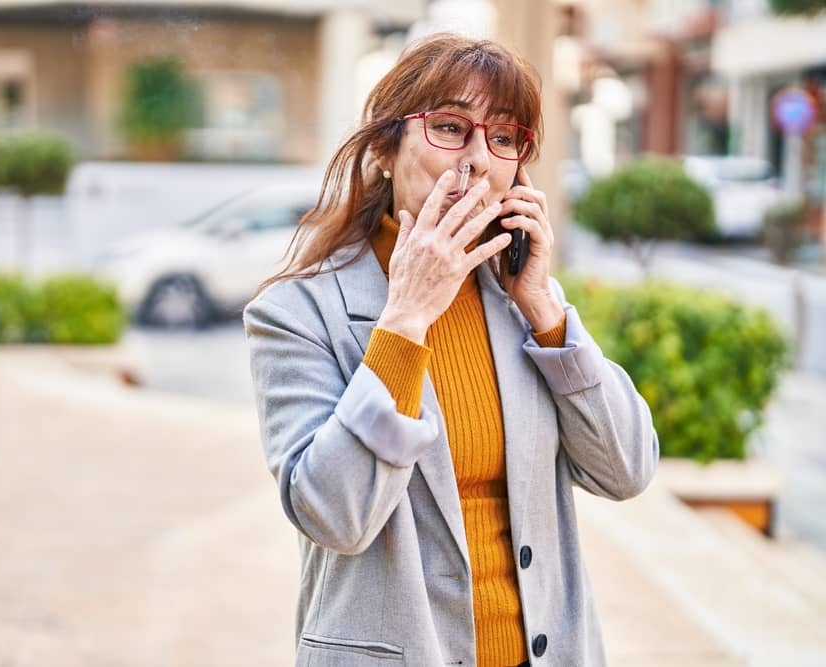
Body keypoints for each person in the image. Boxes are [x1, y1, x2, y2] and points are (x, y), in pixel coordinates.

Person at [243, 33, 658, 667]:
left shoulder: (522, 302)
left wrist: (545, 310)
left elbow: (627, 470)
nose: (478, 161)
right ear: (384, 147)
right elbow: (334, 516)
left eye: (503, 138)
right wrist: (407, 316)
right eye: (449, 128)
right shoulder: (298, 312)